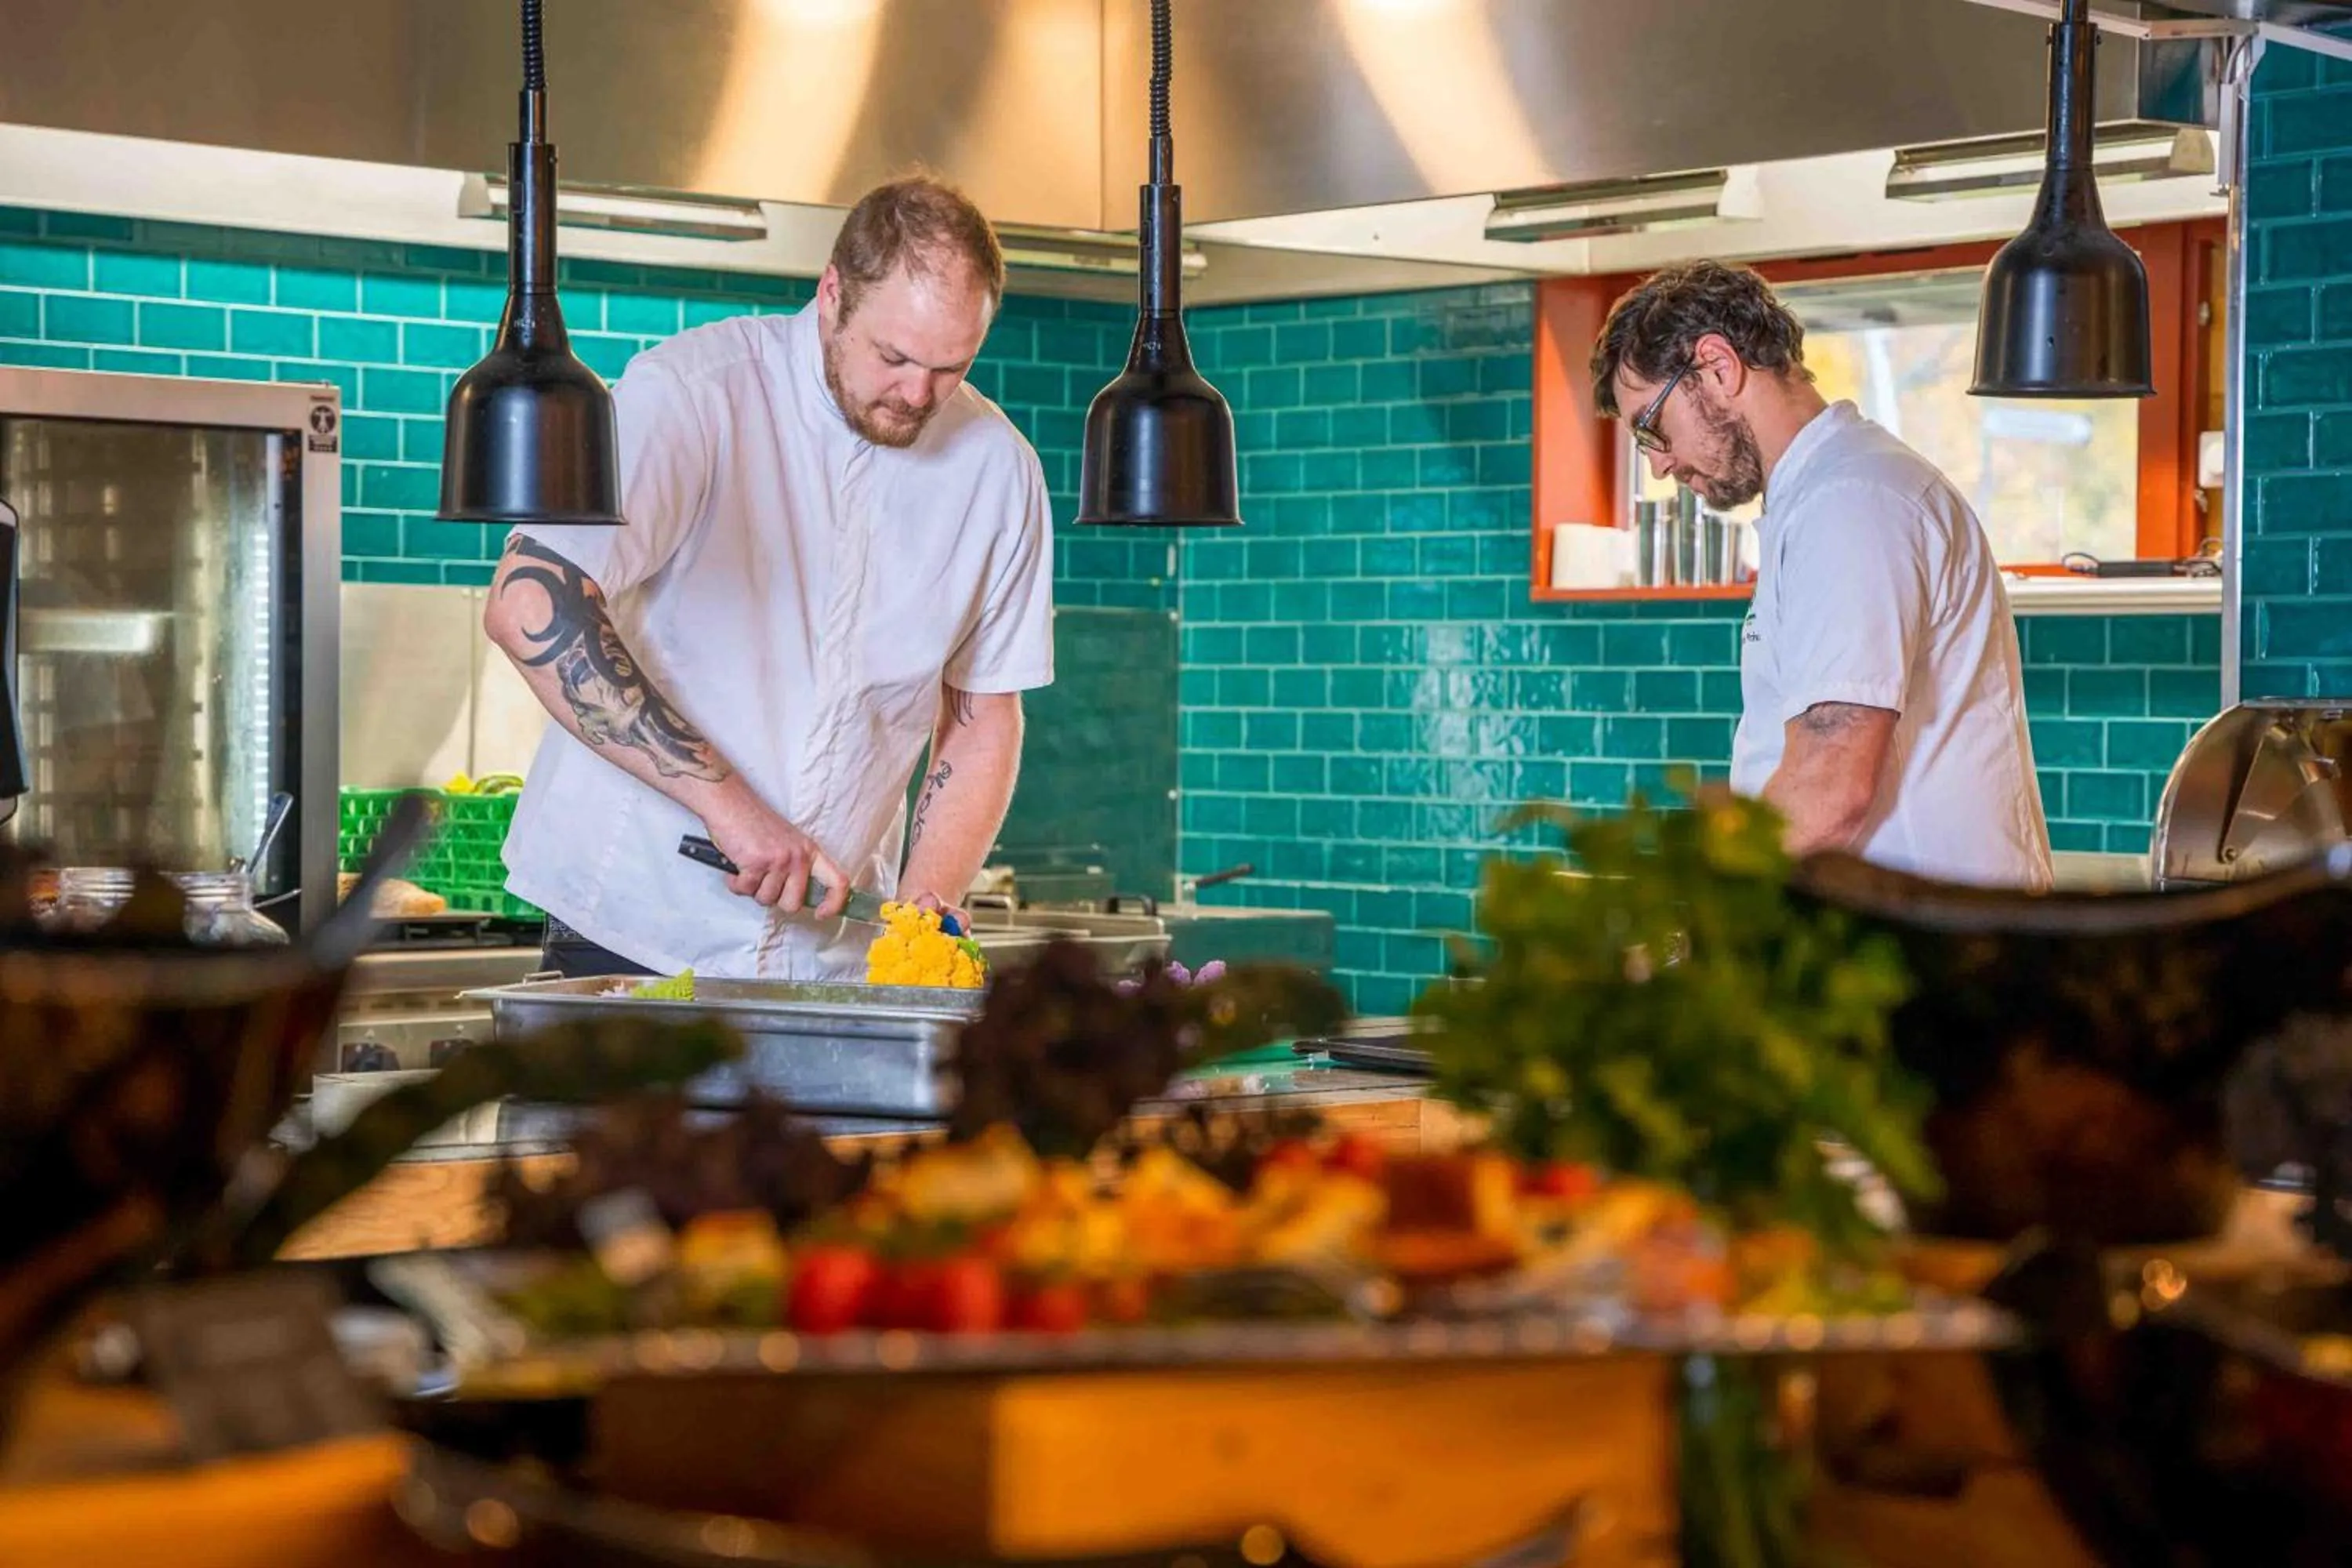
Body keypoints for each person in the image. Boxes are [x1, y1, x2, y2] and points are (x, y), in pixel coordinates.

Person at [486, 174, 1053, 979]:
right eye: (893, 356)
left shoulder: (999, 471)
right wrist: (732, 808)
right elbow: (527, 606)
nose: (917, 393)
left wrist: (925, 908)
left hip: (828, 958)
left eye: (951, 367)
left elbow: (983, 712)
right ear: (832, 294)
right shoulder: (695, 393)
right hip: (630, 921)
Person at [1589, 260, 2052, 890]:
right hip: (1901, 922)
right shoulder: (1826, 494)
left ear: (1718, 367)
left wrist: (1708, 913)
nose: (1659, 465)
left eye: (1651, 426)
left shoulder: (1850, 501)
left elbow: (1830, 780)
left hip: (1919, 932)